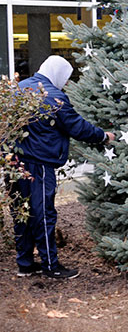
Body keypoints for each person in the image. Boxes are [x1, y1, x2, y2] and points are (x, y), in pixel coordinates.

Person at [12, 55, 115, 279]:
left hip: (15, 164)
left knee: (22, 212)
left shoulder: (20, 88)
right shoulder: (54, 97)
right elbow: (77, 127)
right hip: (39, 165)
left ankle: (25, 264)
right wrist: (104, 136)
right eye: (66, 78)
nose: (66, 83)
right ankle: (51, 266)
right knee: (43, 214)